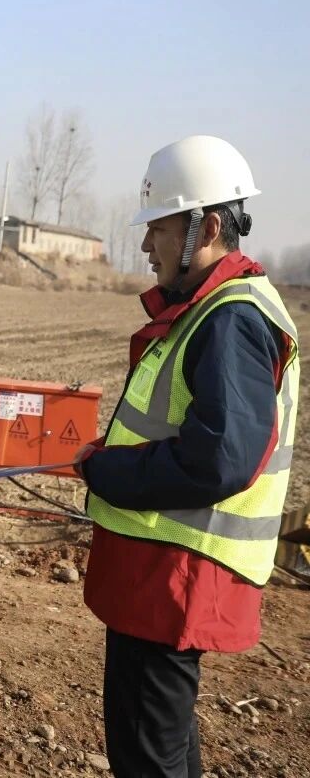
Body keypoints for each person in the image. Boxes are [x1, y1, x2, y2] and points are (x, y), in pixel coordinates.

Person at [76, 135, 298, 778]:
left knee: (148, 752)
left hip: (175, 579)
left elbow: (219, 459)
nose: (147, 244)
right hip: (161, 575)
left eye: (159, 228)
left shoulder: (230, 318)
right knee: (163, 745)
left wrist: (107, 470)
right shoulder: (211, 309)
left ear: (206, 228)